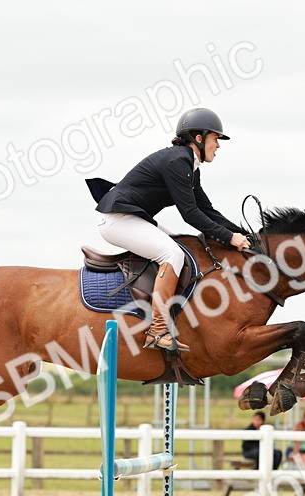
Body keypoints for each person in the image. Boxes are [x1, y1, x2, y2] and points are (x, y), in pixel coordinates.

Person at [95, 108, 251, 353]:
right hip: (118, 220)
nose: (218, 145)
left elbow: (206, 209)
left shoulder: (189, 165)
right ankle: (157, 329)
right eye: (215, 139)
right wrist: (230, 237)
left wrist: (242, 233)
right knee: (173, 254)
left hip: (133, 219)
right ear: (198, 138)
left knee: (184, 247)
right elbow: (190, 214)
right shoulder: (178, 161)